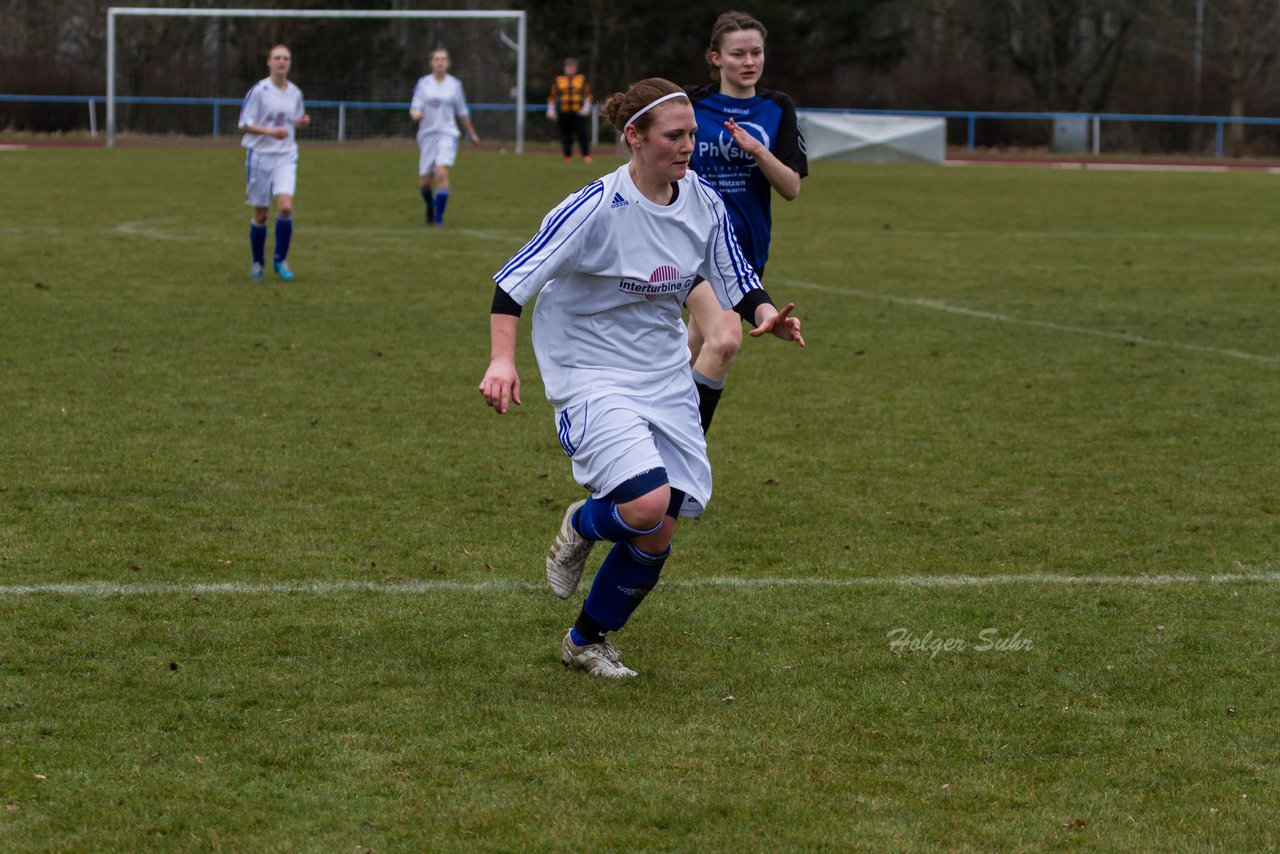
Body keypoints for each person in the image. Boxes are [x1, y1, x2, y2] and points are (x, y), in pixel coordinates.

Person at [479, 77, 804, 678]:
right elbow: (512, 282)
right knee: (645, 505)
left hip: (662, 374)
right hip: (590, 372)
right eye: (675, 136)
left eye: (692, 136)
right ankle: (580, 523)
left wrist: (764, 313)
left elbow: (734, 274)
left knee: (658, 535)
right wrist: (503, 360)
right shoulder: (595, 206)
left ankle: (586, 640)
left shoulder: (703, 202)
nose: (688, 147)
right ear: (634, 137)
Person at [684, 11, 808, 432]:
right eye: (738, 53)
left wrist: (759, 150)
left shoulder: (777, 108)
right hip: (693, 245)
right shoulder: (690, 104)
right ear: (716, 58)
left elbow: (791, 187)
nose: (749, 61)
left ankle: (646, 434)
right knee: (723, 341)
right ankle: (681, 448)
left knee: (693, 349)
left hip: (746, 252)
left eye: (756, 52)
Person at [238, 44, 311, 281]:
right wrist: (270, 132)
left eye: (286, 58)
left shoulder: (295, 93)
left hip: (286, 155)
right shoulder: (259, 90)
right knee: (261, 215)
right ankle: (257, 263)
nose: (282, 62)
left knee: (285, 207)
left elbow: (293, 119)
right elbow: (244, 124)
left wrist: (300, 122)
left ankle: (280, 260)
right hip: (260, 157)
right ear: (269, 62)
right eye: (277, 58)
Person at [410, 48, 481, 227]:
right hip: (427, 135)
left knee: (441, 172)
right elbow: (414, 107)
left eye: (443, 59)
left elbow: (462, 111)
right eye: (436, 59)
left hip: (447, 134)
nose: (440, 62)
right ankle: (430, 207)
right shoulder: (423, 83)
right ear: (431, 62)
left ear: (448, 63)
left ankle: (438, 220)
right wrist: (416, 114)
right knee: (425, 182)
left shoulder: (454, 85)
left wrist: (472, 133)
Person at [546, 57, 593, 163]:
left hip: (578, 112)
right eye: (568, 67)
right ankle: (568, 156)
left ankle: (586, 155)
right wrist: (551, 109)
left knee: (582, 134)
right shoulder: (558, 80)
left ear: (576, 68)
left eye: (572, 67)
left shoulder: (582, 79)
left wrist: (586, 107)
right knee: (566, 135)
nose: (570, 69)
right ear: (565, 68)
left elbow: (588, 95)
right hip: (564, 112)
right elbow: (552, 96)